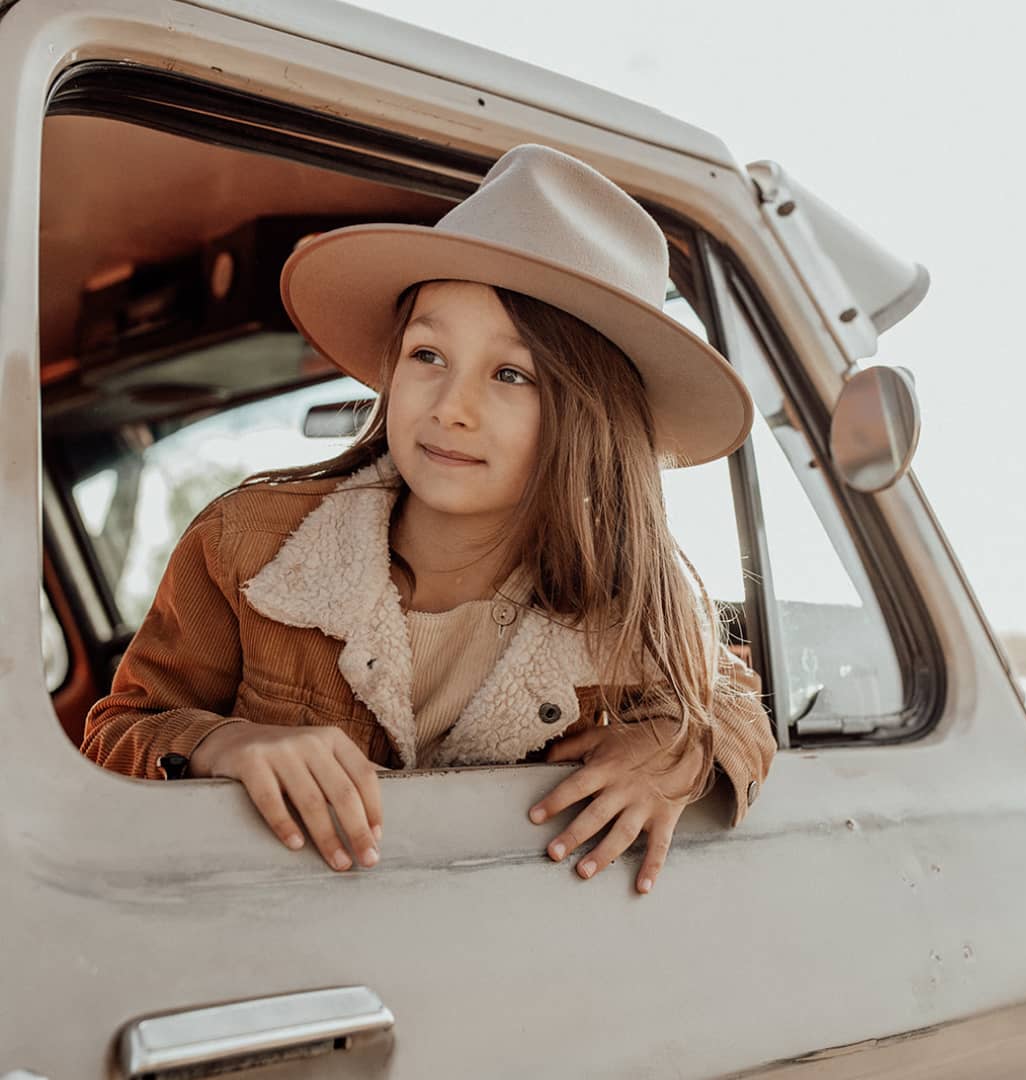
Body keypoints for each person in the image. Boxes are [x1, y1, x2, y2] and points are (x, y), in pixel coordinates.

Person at [81, 143, 777, 895]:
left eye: (511, 374)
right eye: (427, 355)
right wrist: (224, 743)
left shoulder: (636, 601)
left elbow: (734, 702)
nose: (450, 407)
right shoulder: (248, 543)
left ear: (591, 422)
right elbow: (115, 736)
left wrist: (683, 746)